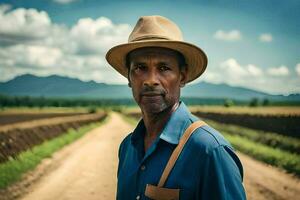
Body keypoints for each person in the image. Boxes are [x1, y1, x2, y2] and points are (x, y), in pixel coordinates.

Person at [106, 15, 246, 200]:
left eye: (163, 68)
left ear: (183, 76)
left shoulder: (209, 151)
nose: (150, 80)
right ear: (129, 79)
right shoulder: (127, 147)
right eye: (140, 68)